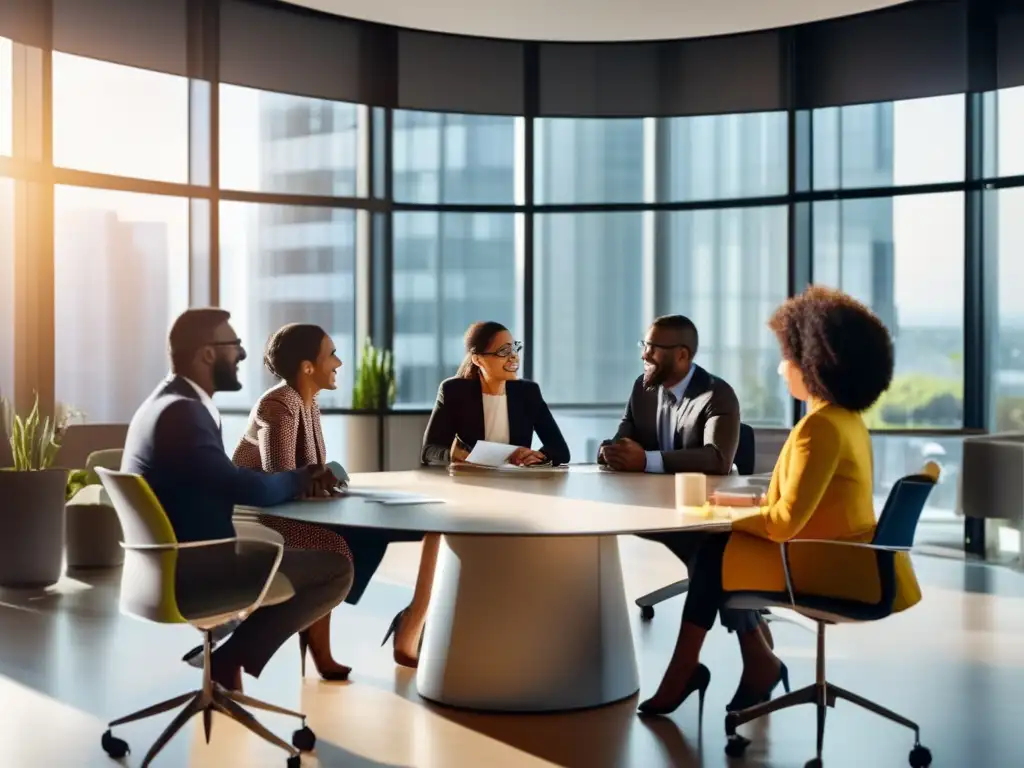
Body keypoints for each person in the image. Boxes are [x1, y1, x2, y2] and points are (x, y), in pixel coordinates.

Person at [639, 286, 919, 720]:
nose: (779, 368)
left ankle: (692, 670)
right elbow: (799, 497)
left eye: (786, 357)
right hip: (852, 556)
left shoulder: (819, 428)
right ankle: (752, 662)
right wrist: (738, 506)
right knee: (709, 553)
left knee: (711, 549)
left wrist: (724, 518)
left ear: (814, 362)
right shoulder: (844, 420)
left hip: (826, 564)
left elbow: (785, 523)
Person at [121, 308, 353, 693]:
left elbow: (223, 482)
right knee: (337, 567)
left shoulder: (167, 402)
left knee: (342, 548)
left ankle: (230, 659)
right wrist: (298, 479)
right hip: (199, 568)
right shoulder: (183, 413)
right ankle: (229, 659)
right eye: (234, 346)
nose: (243, 356)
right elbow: (242, 486)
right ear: (207, 355)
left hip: (170, 562)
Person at [601, 314, 770, 649]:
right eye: (644, 346)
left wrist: (646, 460)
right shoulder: (643, 387)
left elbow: (718, 459)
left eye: (653, 348)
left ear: (682, 355)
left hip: (699, 509)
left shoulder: (716, 394)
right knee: (711, 561)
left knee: (709, 555)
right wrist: (610, 453)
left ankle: (745, 651)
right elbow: (623, 439)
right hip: (650, 507)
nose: (644, 355)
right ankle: (754, 641)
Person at [232, 323, 353, 681]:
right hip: (255, 515)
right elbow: (279, 473)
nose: (339, 362)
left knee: (352, 542)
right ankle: (241, 651)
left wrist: (325, 479)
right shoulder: (278, 404)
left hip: (283, 507)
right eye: (331, 354)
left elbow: (312, 472)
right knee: (336, 550)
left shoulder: (308, 404)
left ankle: (318, 650)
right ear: (307, 366)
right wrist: (321, 478)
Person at [422, 321, 570, 467]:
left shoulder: (528, 392)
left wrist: (536, 457)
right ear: (478, 359)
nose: (514, 357)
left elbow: (560, 450)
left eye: (514, 349)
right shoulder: (454, 390)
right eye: (504, 351)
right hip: (471, 483)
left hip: (517, 484)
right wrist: (453, 455)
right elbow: (429, 451)